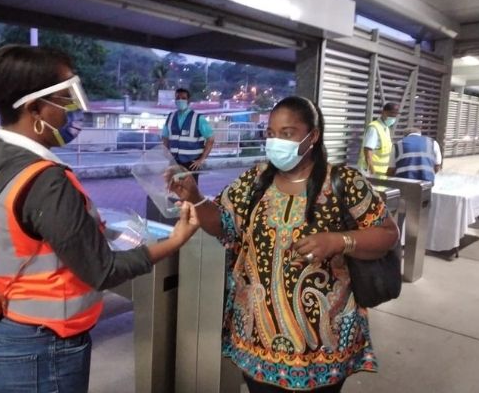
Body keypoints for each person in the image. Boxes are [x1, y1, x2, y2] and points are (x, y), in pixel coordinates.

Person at [0, 45, 199, 393]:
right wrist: (175, 241)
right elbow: (102, 271)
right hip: (39, 346)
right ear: (34, 108)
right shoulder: (45, 179)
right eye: (64, 98)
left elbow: (21, 232)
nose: (71, 109)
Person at [169, 96, 399, 392]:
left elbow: (387, 234)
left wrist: (340, 241)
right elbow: (223, 225)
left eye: (287, 133)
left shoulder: (344, 181)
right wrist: (195, 197)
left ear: (312, 136)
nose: (276, 141)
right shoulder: (255, 180)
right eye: (271, 134)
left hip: (322, 348)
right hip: (257, 340)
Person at [161, 87, 215, 183]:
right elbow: (165, 136)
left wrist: (201, 159)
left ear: (188, 101)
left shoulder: (198, 118)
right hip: (174, 160)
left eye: (183, 98)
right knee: (174, 188)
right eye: (177, 98)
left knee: (190, 190)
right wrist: (166, 151)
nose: (180, 100)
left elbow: (210, 139)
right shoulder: (170, 117)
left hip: (191, 162)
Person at [357, 102, 399, 176]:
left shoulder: (386, 128)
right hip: (371, 172)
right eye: (391, 114)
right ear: (383, 112)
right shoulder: (374, 128)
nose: (393, 117)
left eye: (395, 115)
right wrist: (372, 172)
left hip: (382, 172)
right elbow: (367, 151)